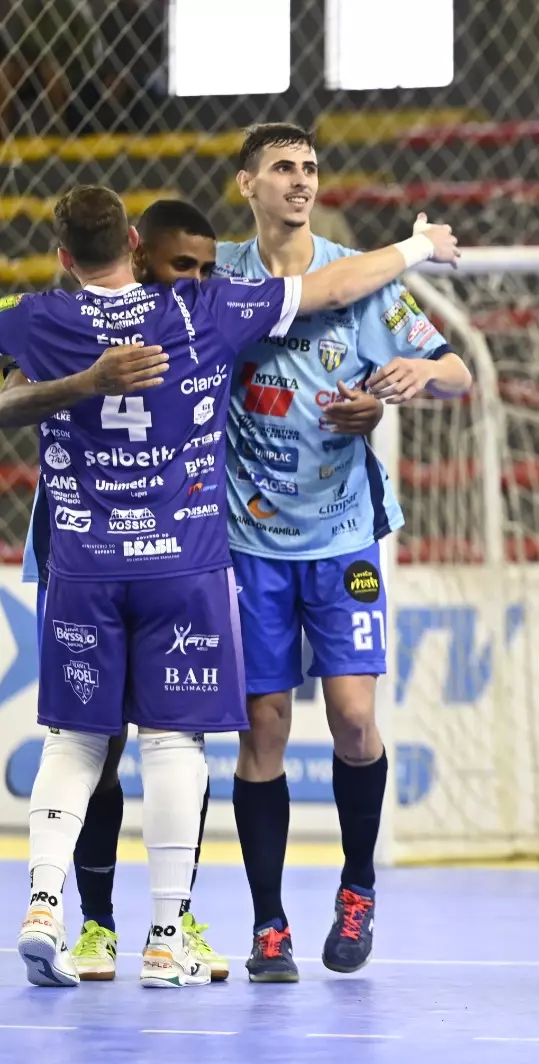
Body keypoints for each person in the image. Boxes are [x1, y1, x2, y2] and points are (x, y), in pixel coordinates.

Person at [0, 183, 458, 988]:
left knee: (85, 742)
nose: (193, 274)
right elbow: (332, 287)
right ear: (134, 244)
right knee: (167, 743)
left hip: (101, 559)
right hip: (186, 561)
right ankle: (150, 931)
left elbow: (350, 296)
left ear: (65, 255)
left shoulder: (40, 315)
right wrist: (420, 247)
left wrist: (77, 385)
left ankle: (53, 907)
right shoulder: (201, 311)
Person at [218, 123, 473, 983]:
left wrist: (407, 384)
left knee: (355, 720)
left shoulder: (367, 281)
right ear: (246, 183)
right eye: (283, 168)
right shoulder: (218, 277)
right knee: (265, 729)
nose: (300, 181)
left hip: (342, 538)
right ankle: (267, 924)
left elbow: (457, 373)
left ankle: (357, 888)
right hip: (248, 543)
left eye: (311, 168)